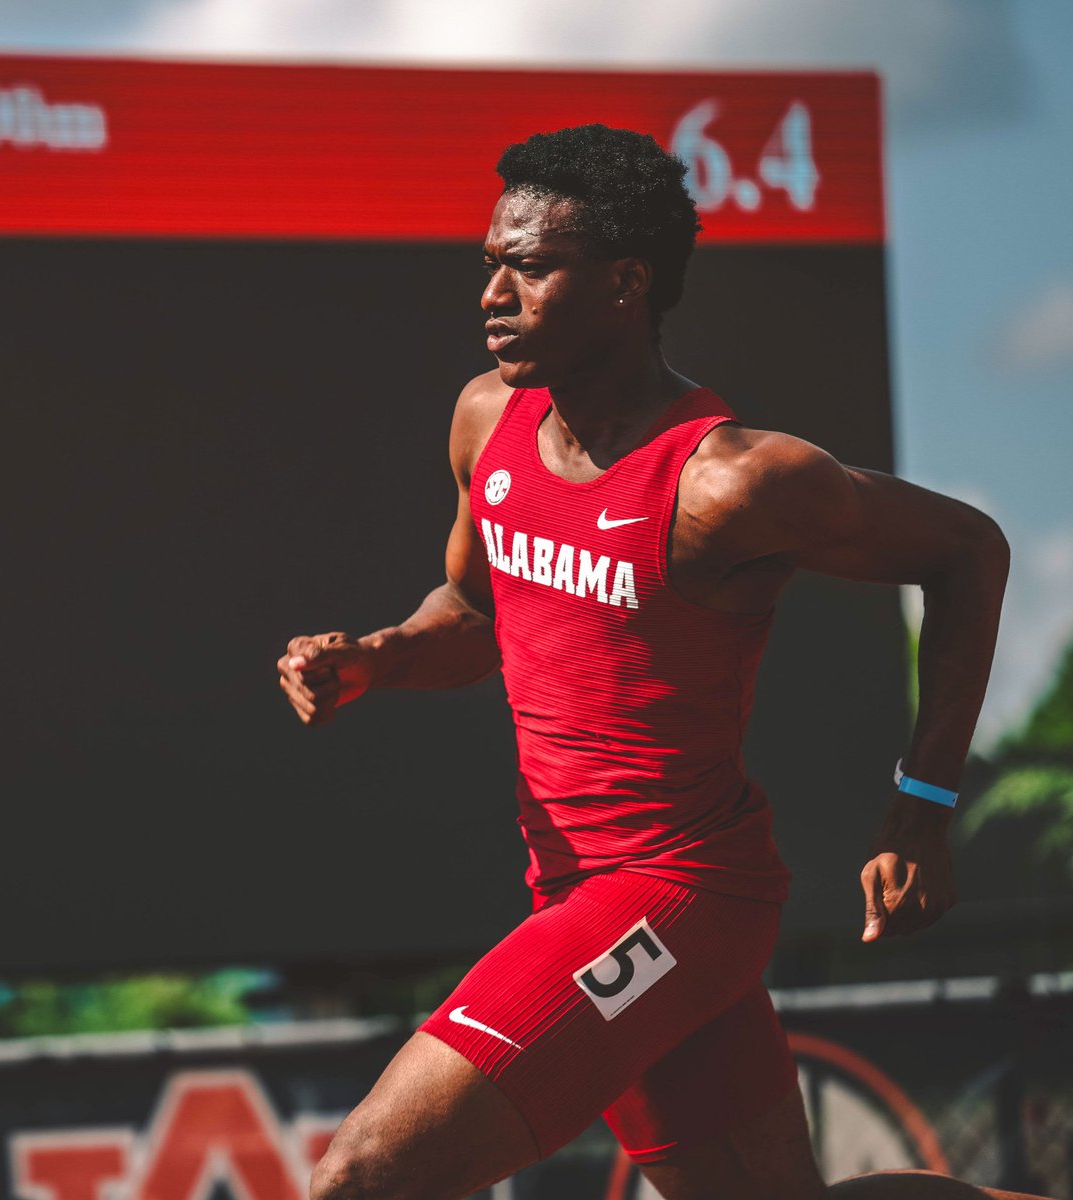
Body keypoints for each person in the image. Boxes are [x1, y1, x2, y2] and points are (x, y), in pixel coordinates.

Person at [278, 125, 1030, 1200]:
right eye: (489, 262)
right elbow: (477, 608)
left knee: (363, 1177)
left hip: (678, 894)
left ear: (626, 282)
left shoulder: (730, 482)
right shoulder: (486, 422)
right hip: (569, 887)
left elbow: (970, 550)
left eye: (528, 267)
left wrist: (921, 808)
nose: (492, 292)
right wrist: (376, 658)